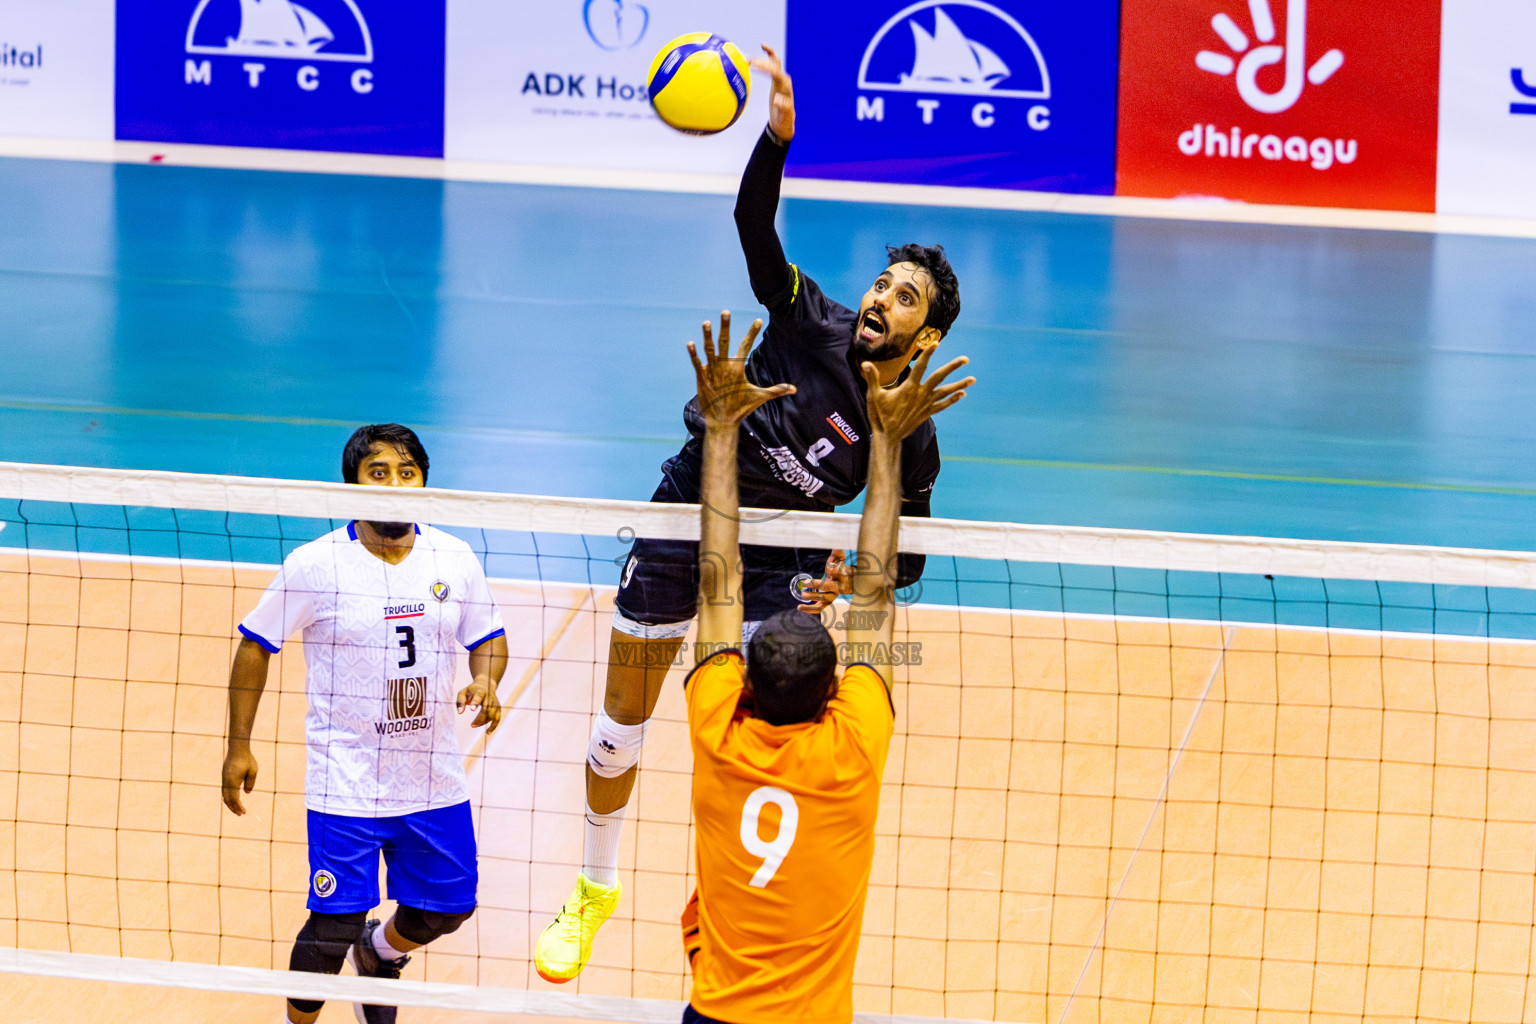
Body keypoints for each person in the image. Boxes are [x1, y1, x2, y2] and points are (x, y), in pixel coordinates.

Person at [534, 44, 964, 983]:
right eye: (883, 284)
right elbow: (751, 222)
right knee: (622, 721)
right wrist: (773, 141)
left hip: (783, 568)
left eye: (903, 299)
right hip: (692, 511)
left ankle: (722, 903)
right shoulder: (809, 316)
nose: (879, 302)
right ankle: (594, 886)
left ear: (925, 337)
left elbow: (911, 559)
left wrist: (863, 577)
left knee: (761, 739)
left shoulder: (911, 430)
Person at [681, 314, 971, 1024]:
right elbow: (873, 587)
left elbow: (719, 583)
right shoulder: (851, 747)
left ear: (743, 683)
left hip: (714, 1014)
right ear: (834, 694)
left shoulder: (719, 726)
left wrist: (720, 431)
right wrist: (887, 439)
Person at [221, 424, 509, 1024]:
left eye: (407, 472)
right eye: (379, 473)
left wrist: (487, 680)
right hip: (345, 778)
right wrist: (238, 747)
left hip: (432, 778)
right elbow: (255, 645)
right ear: (353, 485)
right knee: (333, 923)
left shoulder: (453, 557)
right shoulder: (317, 564)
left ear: (424, 482)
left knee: (447, 910)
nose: (395, 484)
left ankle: (378, 955)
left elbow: (488, 637)